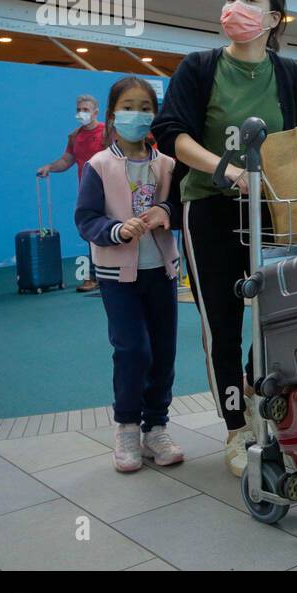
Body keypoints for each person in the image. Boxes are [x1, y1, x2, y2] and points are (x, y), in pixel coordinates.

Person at [152, 0, 297, 476]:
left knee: (275, 314)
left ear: (273, 19)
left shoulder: (288, 74)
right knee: (222, 326)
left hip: (273, 212)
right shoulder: (200, 67)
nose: (235, 6)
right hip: (209, 207)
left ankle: (254, 391)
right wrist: (224, 169)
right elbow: (172, 133)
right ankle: (235, 426)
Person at [77, 77, 183, 472]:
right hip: (116, 276)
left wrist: (166, 212)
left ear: (154, 115)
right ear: (112, 115)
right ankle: (126, 427)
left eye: (145, 108)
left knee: (163, 351)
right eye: (128, 106)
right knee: (132, 350)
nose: (136, 115)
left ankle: (156, 426)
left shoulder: (167, 164)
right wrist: (116, 230)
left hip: (162, 272)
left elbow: (178, 205)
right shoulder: (98, 166)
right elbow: (85, 218)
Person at [37, 94, 108, 292]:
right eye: (79, 109)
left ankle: (110, 275)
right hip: (87, 193)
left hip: (110, 190)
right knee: (91, 233)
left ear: (96, 112)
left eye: (85, 109)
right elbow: (66, 160)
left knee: (112, 231)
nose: (81, 113)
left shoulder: (108, 133)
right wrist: (49, 167)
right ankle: (94, 277)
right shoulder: (74, 136)